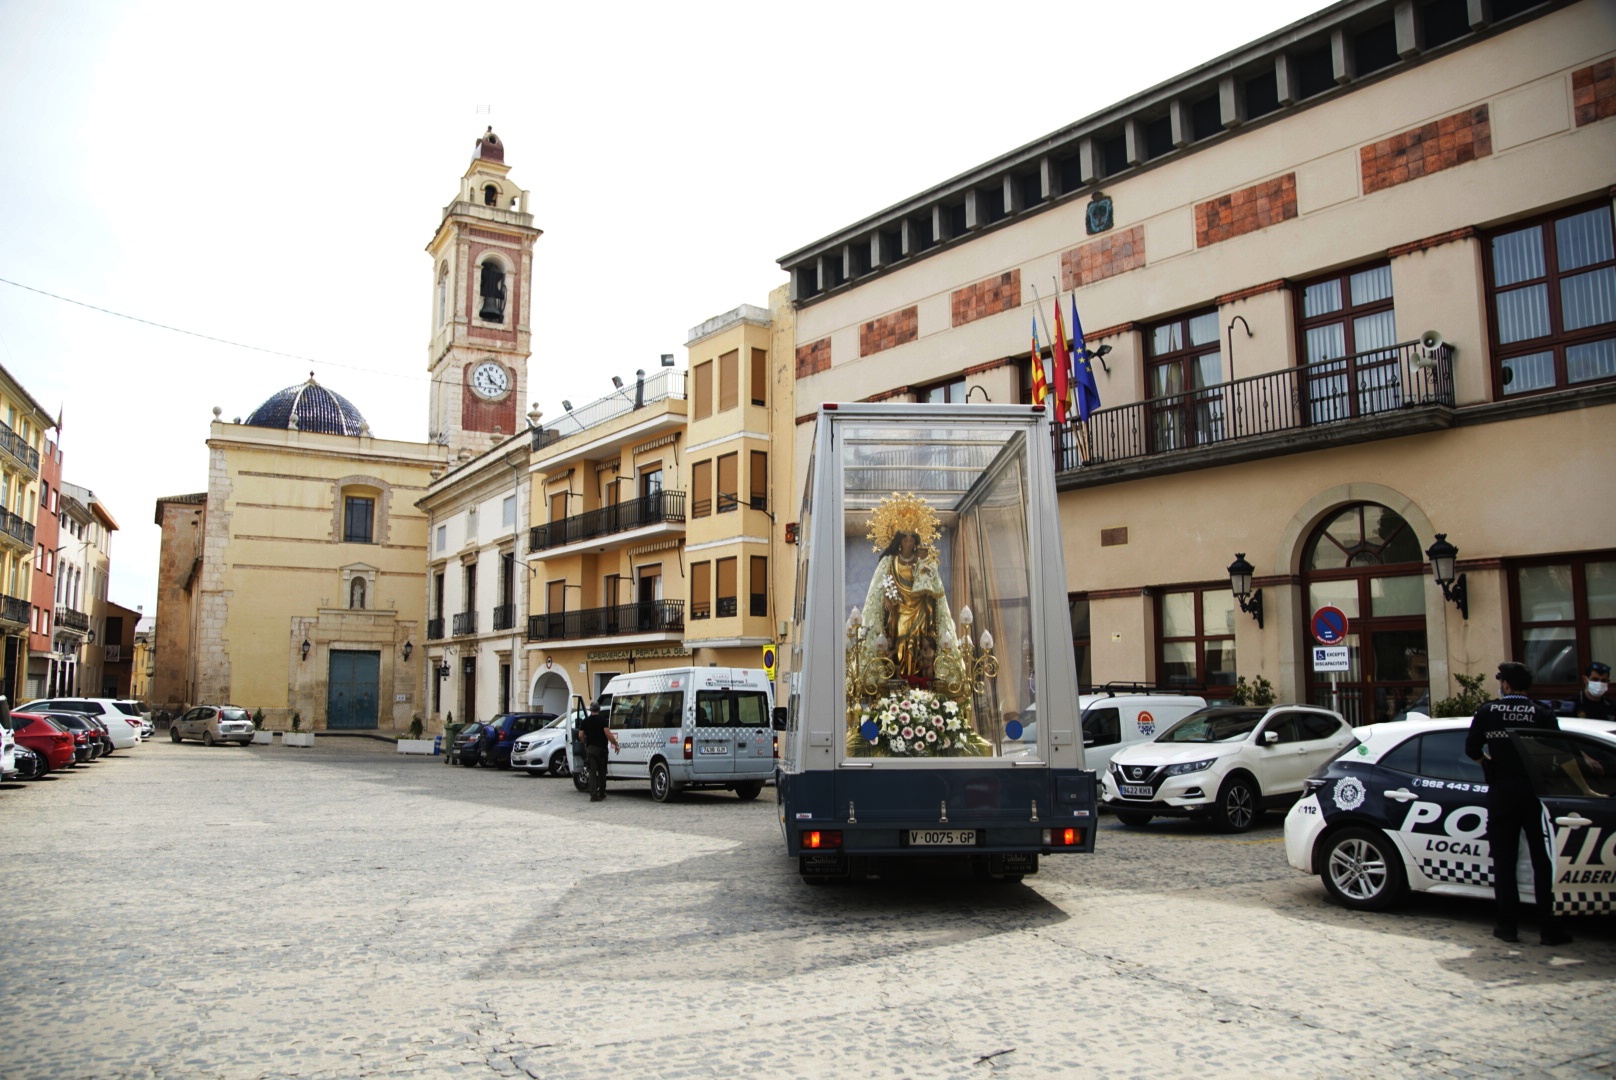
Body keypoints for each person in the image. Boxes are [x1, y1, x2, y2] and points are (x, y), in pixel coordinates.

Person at [1465, 661, 1569, 946]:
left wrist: (1489, 765)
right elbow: (1558, 751)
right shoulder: (1543, 712)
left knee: (1504, 861)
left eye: (1501, 681)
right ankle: (1549, 929)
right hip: (1537, 793)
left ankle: (1507, 926)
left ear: (1507, 685)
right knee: (1542, 860)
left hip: (1502, 791)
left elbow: (1471, 748)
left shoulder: (1488, 711)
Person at [579, 701, 618, 802]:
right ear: (599, 710)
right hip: (601, 750)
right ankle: (602, 793)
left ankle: (593, 794)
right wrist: (615, 744)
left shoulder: (585, 721)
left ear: (590, 710)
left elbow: (580, 735)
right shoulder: (602, 720)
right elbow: (608, 734)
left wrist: (585, 742)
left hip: (590, 749)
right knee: (602, 772)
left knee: (592, 772)